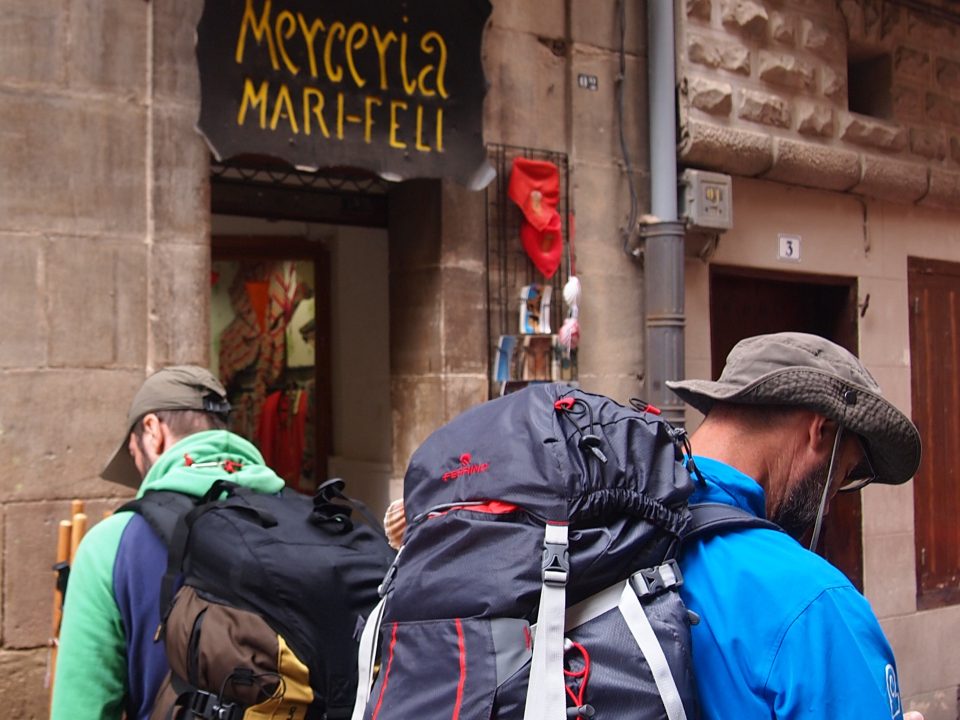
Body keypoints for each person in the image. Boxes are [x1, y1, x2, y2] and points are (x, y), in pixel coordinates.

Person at [666, 332, 924, 720]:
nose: (832, 500)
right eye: (845, 473)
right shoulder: (814, 603)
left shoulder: (612, 534)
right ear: (820, 430)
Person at [50, 366, 287, 720]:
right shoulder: (309, 522)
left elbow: (81, 711)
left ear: (152, 431)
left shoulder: (110, 546)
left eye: (134, 456)